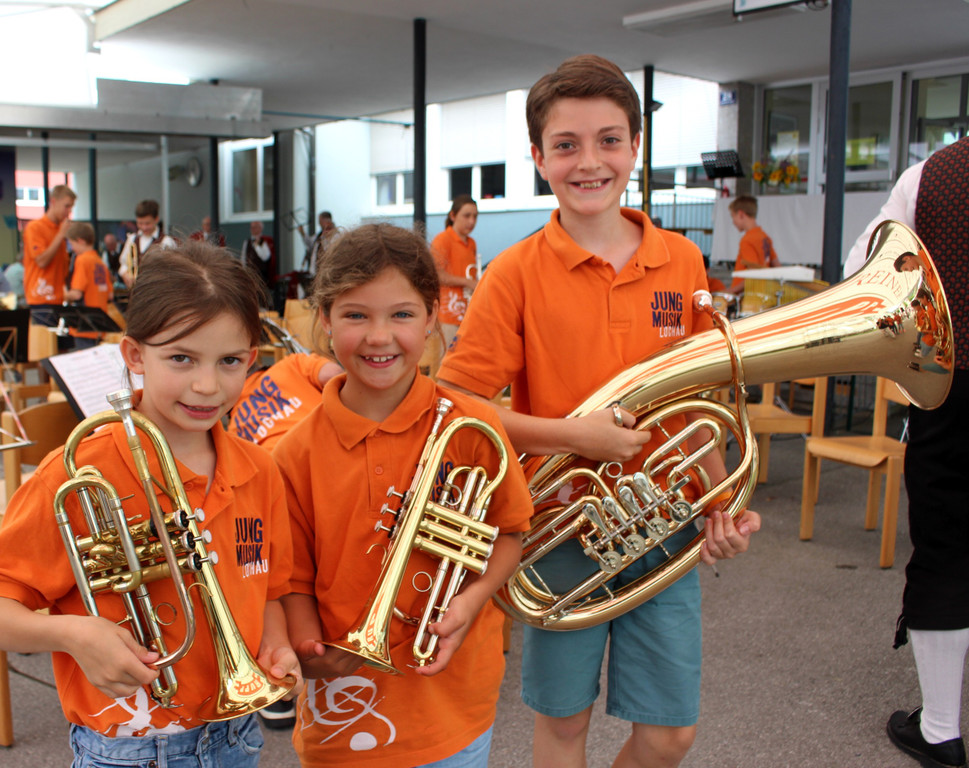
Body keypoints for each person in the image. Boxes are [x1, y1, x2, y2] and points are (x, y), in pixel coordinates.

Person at [436, 54, 761, 768]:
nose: (589, 162)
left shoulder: (681, 261)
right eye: (566, 145)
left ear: (635, 148)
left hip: (666, 526)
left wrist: (720, 503)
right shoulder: (514, 273)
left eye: (609, 140)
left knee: (670, 736)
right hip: (561, 531)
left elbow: (696, 401)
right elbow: (455, 405)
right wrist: (573, 436)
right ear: (537, 158)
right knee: (562, 727)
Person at [0, 239, 301, 765]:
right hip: (127, 749)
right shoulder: (80, 474)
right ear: (135, 355)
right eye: (181, 358)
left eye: (229, 361)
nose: (206, 385)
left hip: (235, 736)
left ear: (252, 361)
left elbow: (269, 591)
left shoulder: (261, 470)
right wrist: (70, 633)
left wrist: (276, 647)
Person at [273, 222, 533, 767]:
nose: (379, 336)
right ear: (325, 319)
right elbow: (291, 578)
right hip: (343, 717)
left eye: (401, 314)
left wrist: (472, 599)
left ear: (432, 316)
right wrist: (308, 647)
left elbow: (509, 535)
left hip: (453, 709)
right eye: (355, 315)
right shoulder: (295, 453)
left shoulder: (474, 427)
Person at [845, 136, 969, 768]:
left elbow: (862, 269)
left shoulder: (934, 175)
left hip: (954, 389)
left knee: (945, 550)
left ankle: (942, 729)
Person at [228, 352, 342, 451]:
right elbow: (333, 374)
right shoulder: (291, 364)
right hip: (334, 442)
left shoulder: (233, 434)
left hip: (286, 466)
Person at [431, 194, 480, 351]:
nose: (471, 221)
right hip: (447, 315)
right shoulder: (442, 239)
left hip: (467, 313)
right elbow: (436, 275)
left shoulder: (471, 243)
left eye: (475, 216)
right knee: (448, 359)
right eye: (466, 216)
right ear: (453, 216)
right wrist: (468, 282)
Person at [21, 184, 75, 306]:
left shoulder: (59, 229)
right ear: (53, 202)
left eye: (71, 207)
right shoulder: (35, 227)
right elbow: (42, 261)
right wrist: (60, 235)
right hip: (40, 298)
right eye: (66, 206)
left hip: (58, 298)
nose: (69, 211)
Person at [64, 221, 113, 350]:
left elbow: (76, 294)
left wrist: (62, 294)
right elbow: (110, 295)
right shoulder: (100, 262)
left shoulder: (82, 260)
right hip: (100, 324)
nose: (72, 248)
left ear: (80, 241)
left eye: (72, 244)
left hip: (85, 324)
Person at [727, 194, 779, 294]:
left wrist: (730, 291)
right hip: (764, 293)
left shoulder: (747, 240)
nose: (733, 222)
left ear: (741, 214)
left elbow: (753, 275)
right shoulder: (764, 237)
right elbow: (777, 266)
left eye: (733, 216)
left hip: (750, 296)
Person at [118, 199, 176, 288]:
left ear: (156, 219)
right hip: (136, 291)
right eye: (140, 223)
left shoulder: (166, 241)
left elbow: (173, 269)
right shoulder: (132, 239)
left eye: (148, 223)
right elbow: (123, 263)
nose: (144, 227)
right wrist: (125, 274)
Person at [241, 220, 276, 302]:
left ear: (260, 229)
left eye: (255, 227)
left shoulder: (263, 241)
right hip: (249, 273)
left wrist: (257, 246)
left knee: (261, 295)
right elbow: (243, 257)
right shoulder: (247, 241)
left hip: (261, 274)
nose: (253, 229)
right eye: (252, 227)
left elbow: (266, 257)